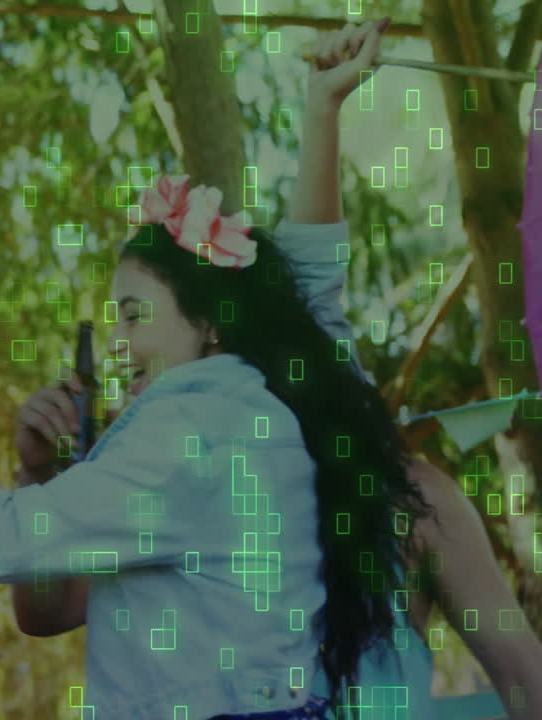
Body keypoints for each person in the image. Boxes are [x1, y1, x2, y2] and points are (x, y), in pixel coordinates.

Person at [0, 173, 430, 718]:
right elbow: (48, 612)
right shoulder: (252, 413)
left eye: (133, 314)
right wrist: (41, 472)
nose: (117, 342)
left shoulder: (194, 432)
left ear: (211, 319)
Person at [289, 20, 542, 720]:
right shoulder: (204, 505)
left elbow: (525, 675)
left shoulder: (411, 500)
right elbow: (48, 610)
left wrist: (323, 106)